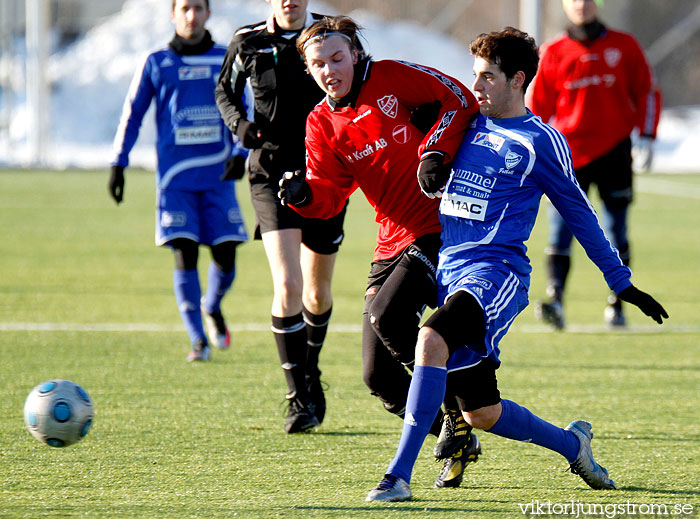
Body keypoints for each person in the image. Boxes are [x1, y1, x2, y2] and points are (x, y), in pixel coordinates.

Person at [366, 27, 668, 502]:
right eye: (474, 76)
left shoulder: (539, 141)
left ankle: (397, 477)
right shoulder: (464, 123)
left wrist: (621, 281)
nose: (477, 86)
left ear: (517, 80)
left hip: (496, 275)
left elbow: (579, 214)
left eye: (487, 76)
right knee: (481, 412)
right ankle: (573, 445)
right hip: (450, 270)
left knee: (429, 337)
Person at [278, 15, 481, 488]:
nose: (330, 68)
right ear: (309, 71)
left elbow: (458, 99)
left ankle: (454, 410)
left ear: (354, 54)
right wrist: (305, 195)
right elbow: (330, 194)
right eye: (318, 63)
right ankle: (454, 426)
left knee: (388, 316)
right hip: (391, 238)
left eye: (337, 57)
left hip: (440, 227)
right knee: (378, 378)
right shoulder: (321, 123)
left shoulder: (390, 77)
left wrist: (434, 153)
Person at [215, 0, 347, 434]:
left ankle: (311, 371)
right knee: (288, 286)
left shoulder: (331, 37)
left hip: (326, 177)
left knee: (317, 293)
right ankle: (296, 398)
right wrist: (240, 126)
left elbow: (358, 85)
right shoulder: (247, 42)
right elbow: (224, 91)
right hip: (270, 175)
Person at [109, 0, 248, 362]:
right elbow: (133, 115)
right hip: (175, 181)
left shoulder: (225, 58)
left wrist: (240, 153)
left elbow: (245, 109)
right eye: (184, 8)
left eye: (198, 8)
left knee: (226, 254)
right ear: (173, 14)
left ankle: (212, 306)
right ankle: (198, 340)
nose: (191, 15)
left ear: (208, 14)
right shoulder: (156, 63)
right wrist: (118, 163)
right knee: (184, 253)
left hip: (219, 176)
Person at [529, 0, 662, 329]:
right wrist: (529, 147)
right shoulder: (553, 51)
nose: (581, 5)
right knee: (561, 230)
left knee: (616, 229)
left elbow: (646, 91)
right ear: (565, 5)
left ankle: (617, 304)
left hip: (615, 151)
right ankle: (556, 300)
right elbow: (537, 106)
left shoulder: (624, 45)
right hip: (568, 155)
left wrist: (646, 135)